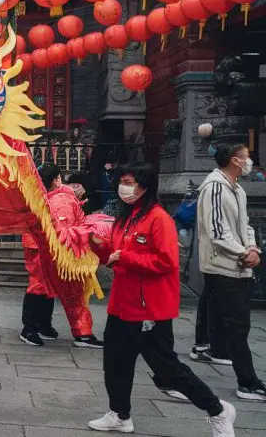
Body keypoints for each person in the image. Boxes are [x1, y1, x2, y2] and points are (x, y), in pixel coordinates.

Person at [88, 163, 236, 435]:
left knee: (167, 370)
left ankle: (217, 410)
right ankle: (120, 414)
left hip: (148, 308)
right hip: (122, 304)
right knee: (115, 363)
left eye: (129, 181)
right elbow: (116, 253)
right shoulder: (127, 217)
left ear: (144, 186)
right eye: (122, 181)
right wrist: (96, 245)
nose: (124, 186)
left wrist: (126, 257)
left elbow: (167, 261)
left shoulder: (159, 219)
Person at [191, 143, 264, 401]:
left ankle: (213, 349)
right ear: (234, 160)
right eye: (246, 157)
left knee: (231, 320)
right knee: (238, 324)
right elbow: (217, 231)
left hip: (238, 264)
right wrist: (243, 253)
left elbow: (244, 225)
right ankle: (248, 381)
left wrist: (253, 248)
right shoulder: (214, 188)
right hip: (223, 265)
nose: (249, 162)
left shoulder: (238, 190)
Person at [19, 164, 103, 349]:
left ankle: (41, 326)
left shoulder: (43, 195)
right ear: (56, 179)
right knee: (44, 287)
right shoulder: (61, 198)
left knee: (44, 286)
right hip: (51, 247)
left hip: (45, 245)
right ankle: (33, 328)